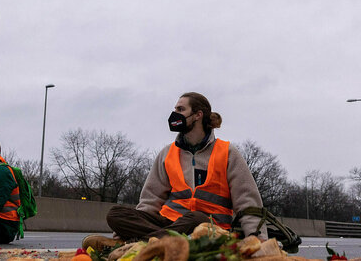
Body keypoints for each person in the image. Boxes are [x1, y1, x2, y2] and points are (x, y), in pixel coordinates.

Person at [83, 92, 268, 250]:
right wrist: (122, 231)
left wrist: (258, 240)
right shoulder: (167, 153)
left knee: (196, 219)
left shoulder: (227, 153)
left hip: (209, 228)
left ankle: (137, 245)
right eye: (175, 109)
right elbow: (150, 201)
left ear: (198, 115)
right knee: (115, 214)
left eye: (180, 110)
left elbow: (247, 201)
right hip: (168, 224)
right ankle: (143, 242)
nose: (174, 114)